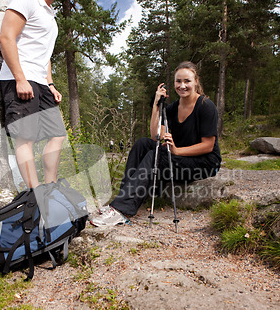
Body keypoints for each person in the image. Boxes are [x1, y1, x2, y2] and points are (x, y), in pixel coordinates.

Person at [90, 61, 222, 226]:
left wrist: (177, 151)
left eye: (187, 81)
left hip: (204, 162)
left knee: (156, 156)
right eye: (178, 81)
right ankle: (123, 198)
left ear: (196, 81)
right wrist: (156, 105)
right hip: (180, 158)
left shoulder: (205, 106)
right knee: (142, 144)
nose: (182, 85)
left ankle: (122, 211)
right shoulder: (173, 108)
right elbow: (155, 136)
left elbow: (208, 146)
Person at [0, 0, 75, 188]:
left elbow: (45, 54)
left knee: (58, 134)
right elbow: (6, 37)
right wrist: (20, 78)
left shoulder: (50, 17)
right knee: (25, 138)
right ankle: (35, 193)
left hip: (40, 82)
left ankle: (49, 188)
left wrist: (50, 84)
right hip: (19, 78)